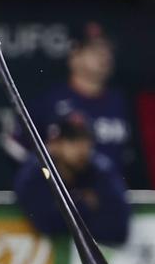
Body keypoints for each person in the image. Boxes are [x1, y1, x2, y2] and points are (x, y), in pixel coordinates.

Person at [9, 22, 134, 174]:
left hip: (109, 193)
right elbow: (16, 147)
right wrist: (46, 172)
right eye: (94, 49)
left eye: (108, 49)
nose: (104, 55)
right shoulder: (51, 102)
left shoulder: (120, 101)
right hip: (63, 194)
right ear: (74, 54)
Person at [14, 110, 131, 246]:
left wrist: (66, 213)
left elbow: (118, 231)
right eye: (72, 140)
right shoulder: (38, 172)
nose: (81, 147)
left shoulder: (101, 171)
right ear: (54, 144)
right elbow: (45, 224)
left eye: (86, 139)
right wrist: (84, 205)